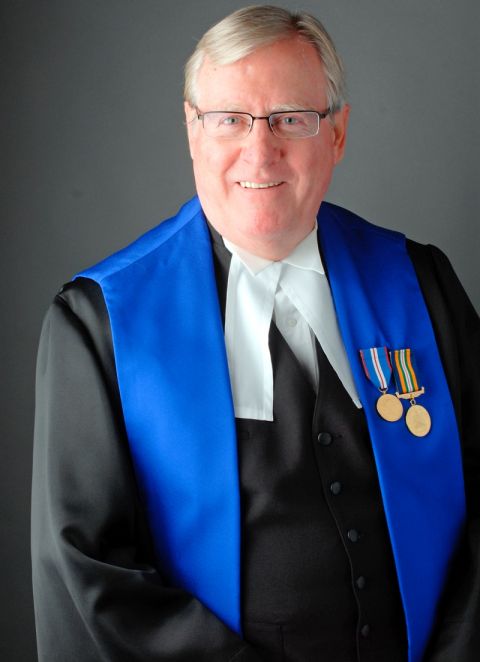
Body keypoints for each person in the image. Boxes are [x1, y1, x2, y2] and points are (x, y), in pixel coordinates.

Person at [31, 5, 480, 662]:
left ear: (338, 133)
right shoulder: (98, 323)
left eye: (291, 119)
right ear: (192, 130)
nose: (259, 149)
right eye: (229, 120)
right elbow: (88, 573)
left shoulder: (420, 283)